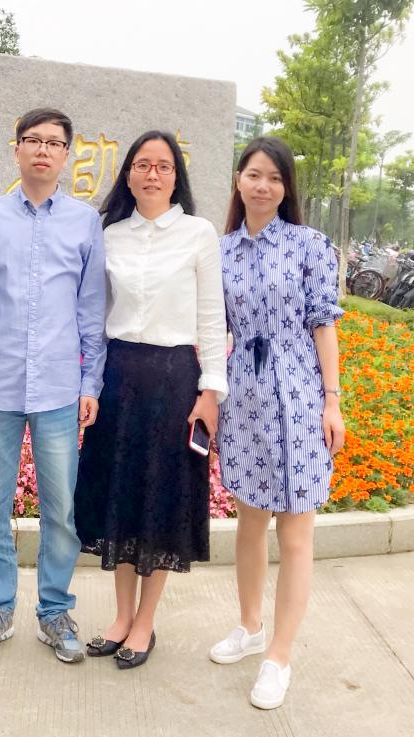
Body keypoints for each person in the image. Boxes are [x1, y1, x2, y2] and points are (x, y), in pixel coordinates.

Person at [0, 108, 106, 662]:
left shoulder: (85, 223)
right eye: (33, 140)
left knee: (60, 511)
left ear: (67, 155)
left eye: (54, 143)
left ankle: (54, 611)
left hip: (60, 390)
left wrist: (91, 381)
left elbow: (91, 311)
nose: (43, 150)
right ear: (16, 149)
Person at [74, 130, 227, 669]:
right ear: (129, 173)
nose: (152, 174)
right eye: (142, 164)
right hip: (120, 376)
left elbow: (212, 318)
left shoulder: (198, 233)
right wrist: (88, 384)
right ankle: (121, 617)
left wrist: (211, 391)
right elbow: (95, 316)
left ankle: (145, 622)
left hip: (174, 380)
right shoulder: (110, 234)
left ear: (176, 175)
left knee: (160, 499)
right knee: (119, 495)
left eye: (163, 165)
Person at [208, 136, 345, 710]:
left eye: (274, 177)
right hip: (244, 399)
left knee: (294, 533)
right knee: (249, 522)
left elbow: (323, 324)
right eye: (253, 174)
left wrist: (332, 401)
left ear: (287, 188)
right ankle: (250, 627)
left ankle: (279, 656)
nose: (262, 186)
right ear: (238, 180)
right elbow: (211, 329)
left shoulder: (310, 246)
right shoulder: (220, 251)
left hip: (301, 398)